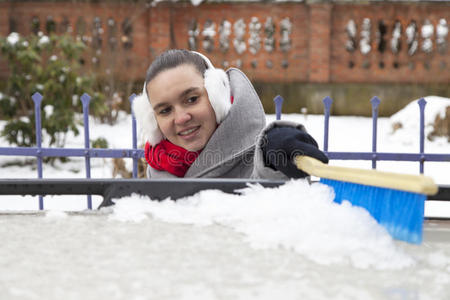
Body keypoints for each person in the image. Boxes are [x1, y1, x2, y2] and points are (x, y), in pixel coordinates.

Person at [133, 49, 328, 179]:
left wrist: (274, 153)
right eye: (165, 110)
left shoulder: (257, 156)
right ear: (154, 121)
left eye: (192, 99)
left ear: (217, 95)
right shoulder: (158, 168)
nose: (182, 118)